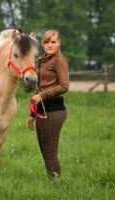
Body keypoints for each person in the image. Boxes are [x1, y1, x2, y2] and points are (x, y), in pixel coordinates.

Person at [28, 29, 69, 179]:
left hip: (54, 110)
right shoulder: (41, 60)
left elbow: (64, 86)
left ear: (59, 43)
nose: (49, 45)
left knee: (50, 152)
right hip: (42, 111)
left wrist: (42, 96)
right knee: (45, 151)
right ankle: (53, 183)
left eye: (53, 42)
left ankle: (56, 187)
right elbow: (37, 88)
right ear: (42, 44)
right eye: (46, 42)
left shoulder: (59, 60)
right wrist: (32, 114)